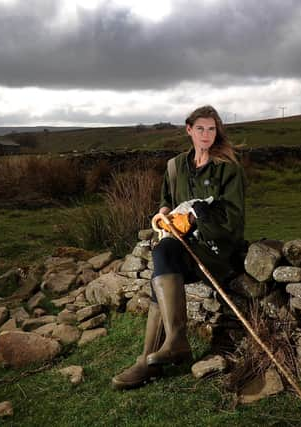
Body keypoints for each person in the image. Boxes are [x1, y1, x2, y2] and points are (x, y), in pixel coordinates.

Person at [112, 105, 246, 390]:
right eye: (200, 129)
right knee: (163, 255)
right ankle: (159, 353)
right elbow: (166, 200)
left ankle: (157, 354)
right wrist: (164, 214)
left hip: (215, 248)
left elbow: (234, 222)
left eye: (212, 129)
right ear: (189, 130)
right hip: (182, 245)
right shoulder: (175, 166)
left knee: (163, 259)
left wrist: (200, 215)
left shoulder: (228, 169)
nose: (206, 135)